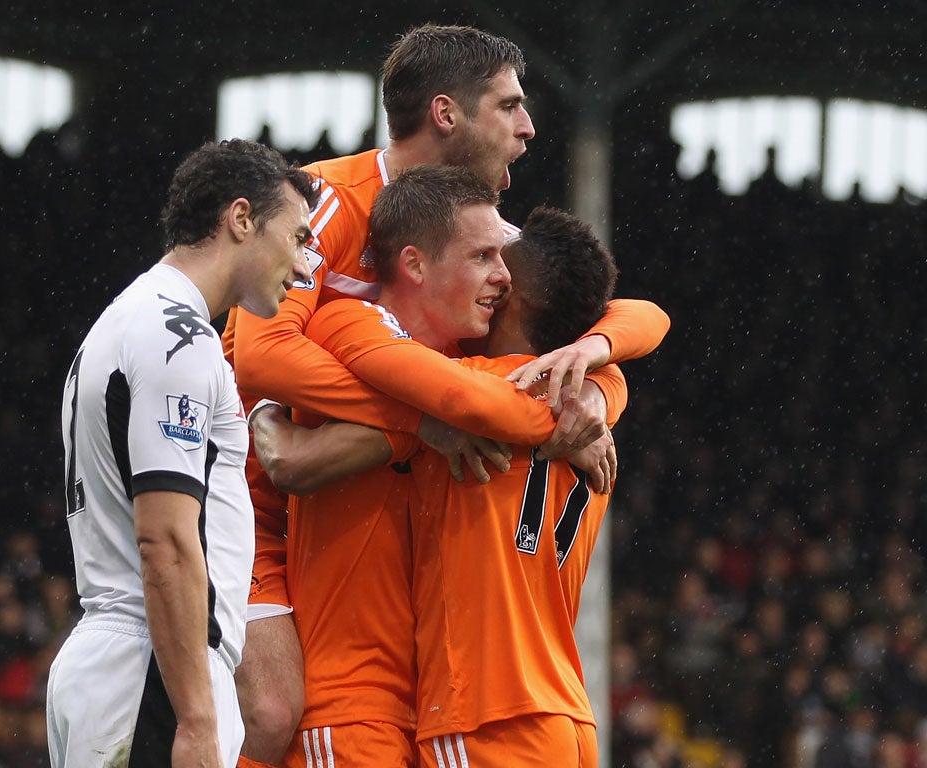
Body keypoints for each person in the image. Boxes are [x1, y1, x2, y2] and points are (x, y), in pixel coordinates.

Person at [221, 24, 668, 767]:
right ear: (446, 113)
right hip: (263, 504)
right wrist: (423, 417)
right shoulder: (324, 201)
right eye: (510, 106)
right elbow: (262, 358)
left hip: (389, 515)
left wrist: (592, 363)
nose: (528, 127)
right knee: (270, 713)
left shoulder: (477, 235)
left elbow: (630, 307)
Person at [46, 139, 318, 768]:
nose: (304, 266)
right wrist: (197, 716)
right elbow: (164, 541)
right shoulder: (181, 338)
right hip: (154, 677)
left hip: (122, 665)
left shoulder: (126, 319)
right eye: (297, 238)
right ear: (241, 218)